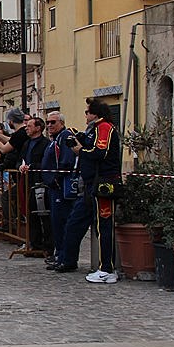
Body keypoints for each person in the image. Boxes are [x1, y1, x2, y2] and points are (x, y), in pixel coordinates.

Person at [56, 98, 122, 284]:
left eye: (87, 112)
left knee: (104, 226)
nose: (85, 115)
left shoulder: (104, 127)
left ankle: (107, 269)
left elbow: (100, 152)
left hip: (104, 185)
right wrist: (78, 139)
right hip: (92, 185)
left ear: (95, 113)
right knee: (82, 223)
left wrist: (80, 150)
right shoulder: (94, 129)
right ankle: (79, 262)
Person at [41, 111, 77, 270]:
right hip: (54, 187)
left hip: (61, 188)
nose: (49, 125)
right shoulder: (55, 139)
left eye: (53, 122)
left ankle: (65, 258)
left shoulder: (65, 137)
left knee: (62, 223)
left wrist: (56, 179)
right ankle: (60, 256)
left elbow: (67, 161)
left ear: (61, 123)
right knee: (56, 224)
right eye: (48, 122)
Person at [19, 117, 51, 253]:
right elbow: (21, 159)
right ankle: (35, 243)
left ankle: (47, 245)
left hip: (40, 182)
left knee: (43, 214)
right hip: (28, 181)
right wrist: (21, 166)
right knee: (31, 213)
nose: (26, 128)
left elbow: (46, 163)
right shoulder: (27, 143)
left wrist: (32, 166)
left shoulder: (46, 144)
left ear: (38, 128)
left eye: (30, 126)